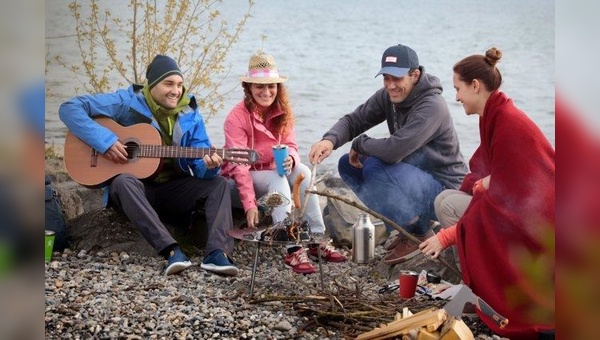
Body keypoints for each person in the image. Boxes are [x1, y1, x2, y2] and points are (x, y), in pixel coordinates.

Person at [59, 55, 239, 277]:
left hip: (173, 190)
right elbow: (70, 108)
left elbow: (199, 166)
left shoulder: (190, 115)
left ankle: (217, 254)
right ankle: (172, 251)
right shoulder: (127, 103)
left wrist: (209, 166)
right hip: (136, 191)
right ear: (152, 84)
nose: (176, 91)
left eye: (180, 85)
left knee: (219, 184)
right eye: (168, 84)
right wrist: (105, 143)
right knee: (123, 181)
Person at [418, 47, 555, 339]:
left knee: (459, 207)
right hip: (523, 210)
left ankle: (481, 293)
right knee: (448, 201)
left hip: (540, 223)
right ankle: (474, 285)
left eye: (458, 89)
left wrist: (447, 235)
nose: (455, 97)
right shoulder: (494, 114)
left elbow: (513, 193)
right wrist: (481, 185)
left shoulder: (508, 121)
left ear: (475, 86)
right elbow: (489, 172)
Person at [309, 44, 468, 265]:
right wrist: (330, 139)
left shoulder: (431, 106)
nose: (391, 85)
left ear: (415, 75)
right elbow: (355, 120)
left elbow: (394, 151)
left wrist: (360, 143)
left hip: (445, 192)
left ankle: (418, 234)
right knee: (348, 164)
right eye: (386, 78)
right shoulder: (389, 96)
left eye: (397, 78)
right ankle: (409, 229)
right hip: (414, 181)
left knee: (374, 165)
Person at [222, 51, 347, 274]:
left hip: (274, 170)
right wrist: (250, 204)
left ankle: (316, 239)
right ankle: (292, 249)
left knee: (304, 172)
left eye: (271, 86)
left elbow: (290, 144)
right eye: (260, 86)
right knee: (277, 178)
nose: (266, 91)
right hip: (248, 175)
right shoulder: (236, 117)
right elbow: (238, 165)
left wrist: (291, 158)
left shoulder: (282, 110)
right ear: (248, 87)